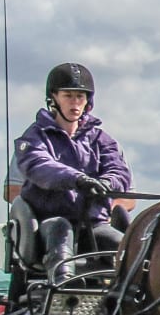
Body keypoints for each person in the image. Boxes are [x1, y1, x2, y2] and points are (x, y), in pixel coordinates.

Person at [14, 62, 133, 285]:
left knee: (124, 246)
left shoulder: (101, 139)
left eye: (80, 96)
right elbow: (39, 166)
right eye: (68, 95)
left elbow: (119, 172)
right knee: (60, 231)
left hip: (94, 225)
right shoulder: (35, 137)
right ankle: (65, 289)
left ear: (88, 100)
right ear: (54, 98)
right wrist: (77, 179)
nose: (75, 102)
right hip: (49, 222)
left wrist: (107, 182)